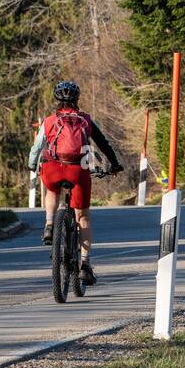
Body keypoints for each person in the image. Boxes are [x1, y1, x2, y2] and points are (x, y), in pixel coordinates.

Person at [27, 80, 122, 286]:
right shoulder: (85, 120)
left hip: (53, 168)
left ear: (56, 100)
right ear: (77, 100)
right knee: (83, 216)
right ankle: (85, 266)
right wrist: (114, 164)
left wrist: (32, 165)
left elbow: (36, 148)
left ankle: (50, 224)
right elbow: (103, 143)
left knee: (52, 191)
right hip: (78, 171)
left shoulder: (50, 120)